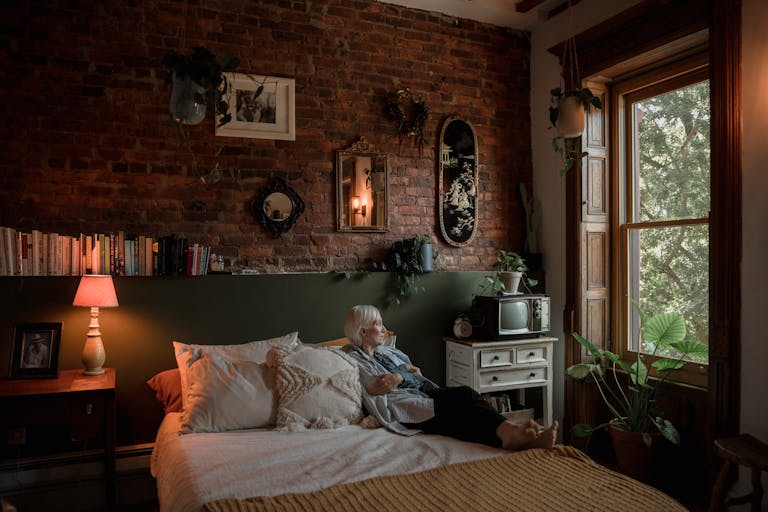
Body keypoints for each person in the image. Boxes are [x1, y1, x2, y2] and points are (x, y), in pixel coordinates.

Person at [343, 305, 558, 450]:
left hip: (425, 391)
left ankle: (514, 436)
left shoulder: (388, 351)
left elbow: (416, 373)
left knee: (463, 408)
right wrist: (404, 375)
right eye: (379, 324)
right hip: (404, 406)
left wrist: (399, 376)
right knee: (462, 404)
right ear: (363, 332)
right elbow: (378, 386)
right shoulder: (355, 359)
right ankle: (513, 433)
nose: (384, 329)